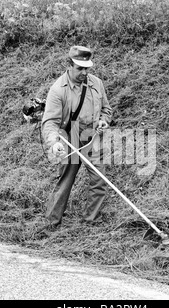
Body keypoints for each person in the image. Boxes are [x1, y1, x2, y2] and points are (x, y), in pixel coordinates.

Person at [40, 45, 112, 230]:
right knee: (66, 181)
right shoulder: (58, 90)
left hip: (92, 137)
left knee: (99, 181)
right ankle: (51, 223)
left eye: (87, 68)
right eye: (79, 68)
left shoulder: (96, 83)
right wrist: (54, 142)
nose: (84, 72)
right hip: (70, 137)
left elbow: (106, 109)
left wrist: (104, 120)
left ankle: (89, 221)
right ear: (69, 65)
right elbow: (50, 123)